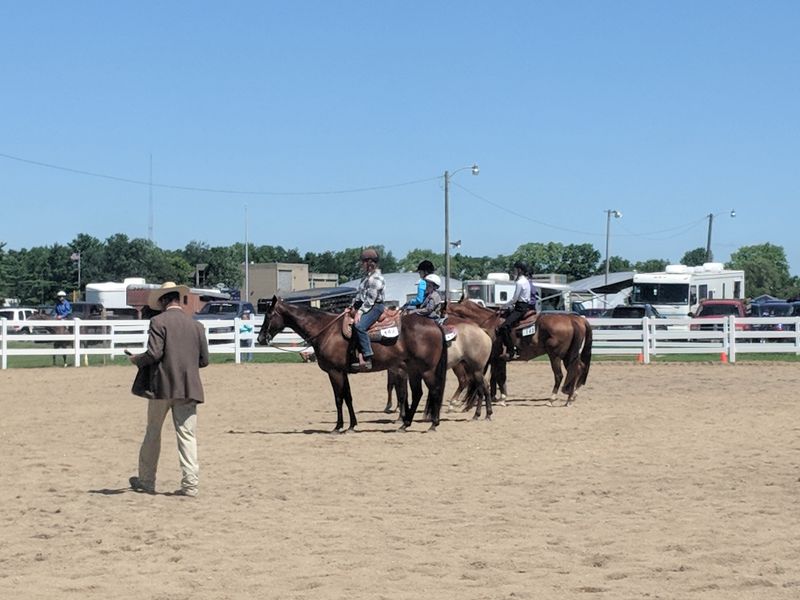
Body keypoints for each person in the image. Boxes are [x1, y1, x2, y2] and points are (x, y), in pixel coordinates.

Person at [128, 282, 209, 498]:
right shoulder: (197, 326)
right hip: (189, 388)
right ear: (178, 299)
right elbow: (204, 360)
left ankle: (146, 481)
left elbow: (154, 353)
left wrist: (137, 360)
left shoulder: (158, 321)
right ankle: (190, 485)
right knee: (187, 435)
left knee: (153, 432)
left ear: (164, 301)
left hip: (161, 387)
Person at [349, 248, 386, 371]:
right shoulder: (365, 278)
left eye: (363, 262)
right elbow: (359, 295)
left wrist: (359, 312)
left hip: (375, 306)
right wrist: (352, 307)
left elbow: (370, 299)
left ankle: (368, 356)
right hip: (365, 305)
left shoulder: (375, 278)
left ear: (369, 263)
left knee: (359, 326)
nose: (361, 265)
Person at [498, 261, 533, 360]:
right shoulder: (526, 281)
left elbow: (514, 299)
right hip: (525, 305)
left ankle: (511, 350)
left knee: (504, 327)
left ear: (519, 270)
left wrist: (504, 305)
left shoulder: (519, 282)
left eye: (515, 269)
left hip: (520, 307)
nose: (514, 271)